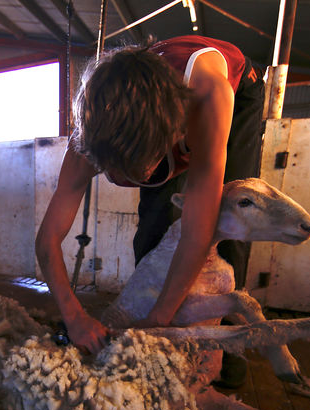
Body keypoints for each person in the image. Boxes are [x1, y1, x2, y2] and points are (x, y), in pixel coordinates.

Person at [35, 35, 264, 386]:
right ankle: (154, 328)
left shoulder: (209, 97)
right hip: (158, 125)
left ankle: (227, 349)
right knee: (156, 225)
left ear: (172, 138)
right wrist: (74, 316)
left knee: (228, 224)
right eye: (109, 171)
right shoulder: (89, 137)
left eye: (132, 172)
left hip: (238, 87)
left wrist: (160, 317)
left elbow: (197, 233)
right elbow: (48, 238)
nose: (115, 180)